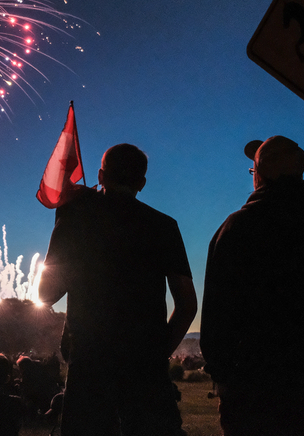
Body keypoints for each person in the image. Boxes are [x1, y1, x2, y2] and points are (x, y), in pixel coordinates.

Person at [200, 136, 304, 436]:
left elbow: (217, 318)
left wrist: (226, 381)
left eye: (252, 171)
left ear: (261, 174)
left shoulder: (234, 231)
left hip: (253, 398)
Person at [39, 143, 197, 436]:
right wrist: (158, 352)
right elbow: (187, 304)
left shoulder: (76, 220)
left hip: (89, 366)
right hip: (146, 369)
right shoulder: (164, 226)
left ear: (100, 175)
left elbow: (46, 294)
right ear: (142, 183)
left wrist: (64, 220)